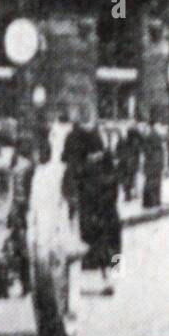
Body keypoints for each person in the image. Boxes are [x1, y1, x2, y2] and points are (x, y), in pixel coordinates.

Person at [61, 110, 121, 290]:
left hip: (95, 203)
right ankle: (114, 274)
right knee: (111, 239)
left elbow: (69, 169)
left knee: (94, 239)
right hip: (104, 203)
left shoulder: (81, 159)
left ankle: (102, 275)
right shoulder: (101, 157)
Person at [119, 122, 144, 204]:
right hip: (132, 161)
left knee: (128, 178)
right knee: (131, 177)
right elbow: (141, 144)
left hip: (126, 161)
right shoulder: (135, 141)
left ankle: (128, 194)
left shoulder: (124, 140)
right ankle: (130, 195)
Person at [142, 119, 164, 209]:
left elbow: (147, 150)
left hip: (151, 163)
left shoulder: (148, 136)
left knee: (149, 182)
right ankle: (156, 201)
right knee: (156, 182)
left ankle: (149, 202)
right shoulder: (157, 136)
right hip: (157, 162)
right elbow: (160, 150)